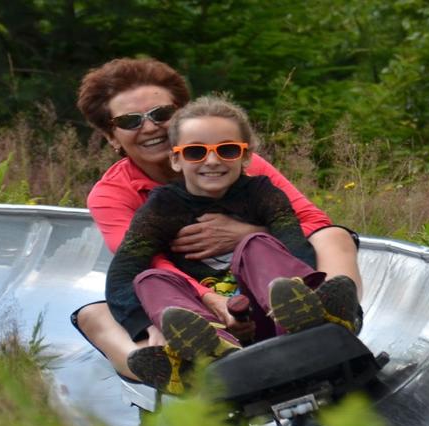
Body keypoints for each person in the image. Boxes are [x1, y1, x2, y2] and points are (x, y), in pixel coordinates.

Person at [71, 57, 362, 388]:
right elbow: (142, 264)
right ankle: (175, 367)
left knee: (335, 236)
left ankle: (330, 314)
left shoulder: (233, 160)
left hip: (265, 283)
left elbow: (310, 220)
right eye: (130, 121)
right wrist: (209, 303)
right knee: (95, 313)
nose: (150, 127)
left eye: (161, 115)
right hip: (190, 301)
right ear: (112, 137)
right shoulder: (112, 194)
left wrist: (251, 233)